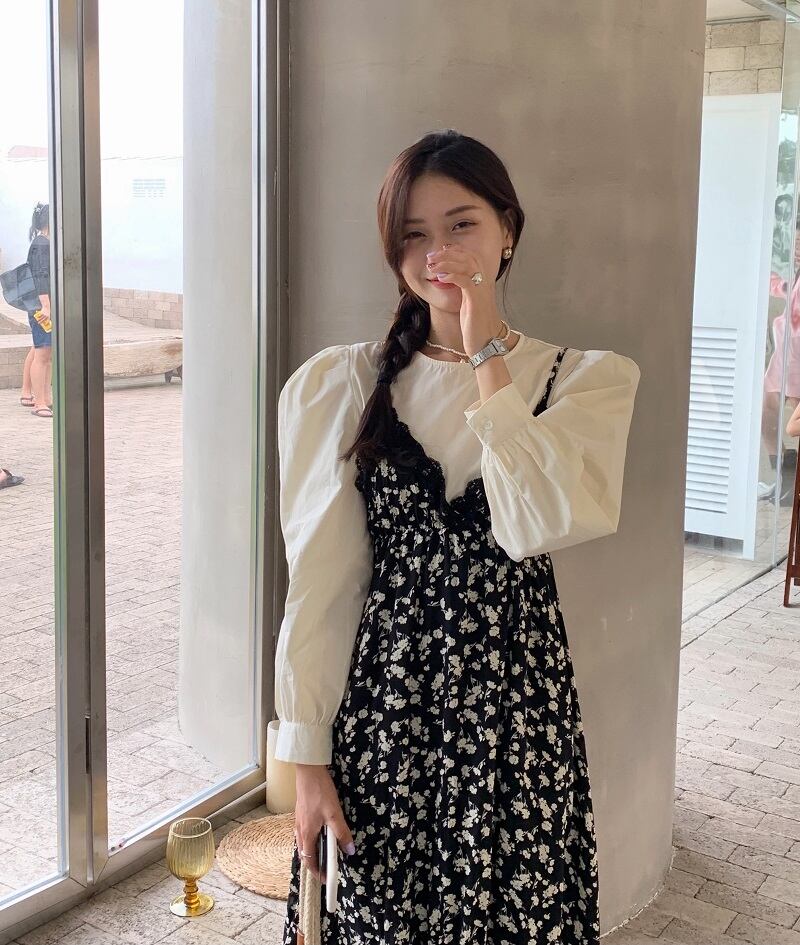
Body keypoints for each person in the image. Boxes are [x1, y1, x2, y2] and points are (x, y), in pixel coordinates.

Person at [274, 130, 641, 945]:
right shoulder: (343, 384)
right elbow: (323, 584)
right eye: (413, 234)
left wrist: (486, 356)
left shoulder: (582, 380)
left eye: (461, 224)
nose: (437, 252)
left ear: (508, 228)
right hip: (384, 715)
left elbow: (536, 520)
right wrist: (307, 760)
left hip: (516, 720)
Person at [19, 202, 53, 418]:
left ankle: (41, 397)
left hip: (41, 307)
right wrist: (46, 306)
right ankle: (39, 402)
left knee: (41, 351)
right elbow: (41, 276)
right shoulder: (42, 245)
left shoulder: (42, 242)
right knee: (42, 354)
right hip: (42, 309)